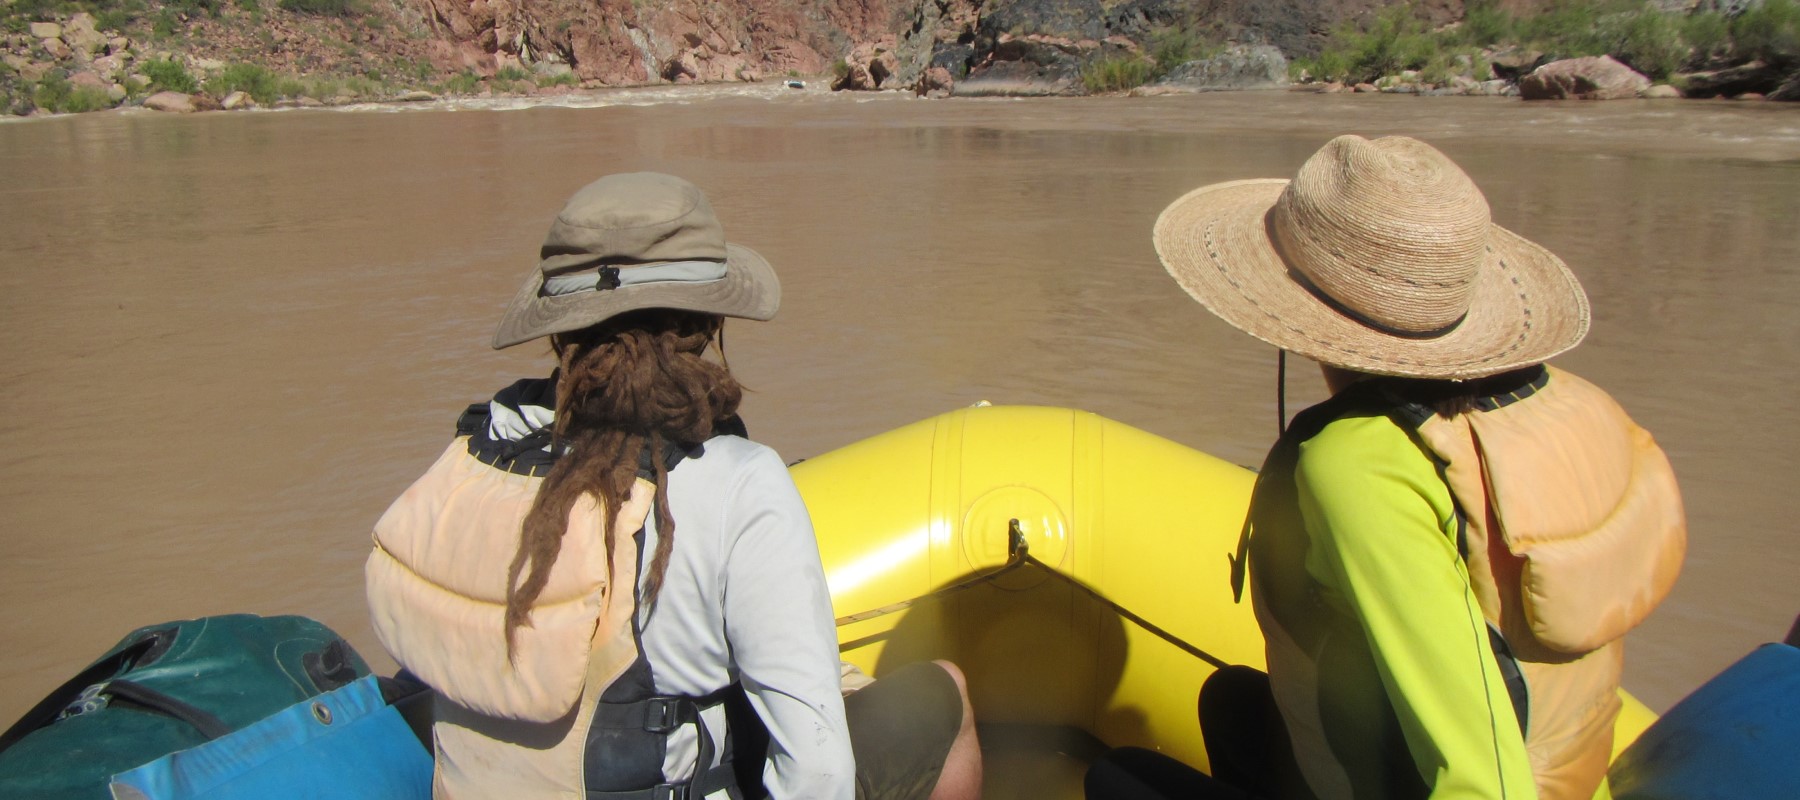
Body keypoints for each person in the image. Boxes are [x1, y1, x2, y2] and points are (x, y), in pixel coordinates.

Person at [1088, 136, 1685, 800]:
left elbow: (1484, 777)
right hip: (1569, 775)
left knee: (1117, 780)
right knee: (1232, 706)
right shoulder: (1576, 405)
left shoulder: (1357, 466)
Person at [364, 172, 980, 800]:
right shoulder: (737, 482)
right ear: (709, 319)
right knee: (945, 693)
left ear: (561, 330)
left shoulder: (481, 445)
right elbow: (818, 776)